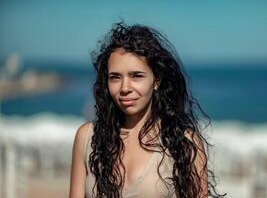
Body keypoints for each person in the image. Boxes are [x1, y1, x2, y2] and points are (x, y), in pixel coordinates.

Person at [69, 22, 225, 198]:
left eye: (136, 76)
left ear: (156, 80)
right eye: (115, 77)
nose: (125, 88)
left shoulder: (183, 143)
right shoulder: (87, 137)